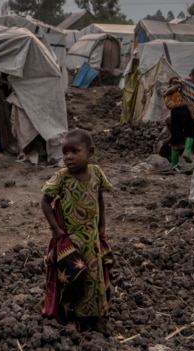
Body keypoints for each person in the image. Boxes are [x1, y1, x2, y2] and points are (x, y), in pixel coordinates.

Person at [40, 129, 113, 334]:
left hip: (92, 239)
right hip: (71, 239)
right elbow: (45, 202)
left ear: (90, 152)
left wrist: (102, 226)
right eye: (65, 152)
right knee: (72, 277)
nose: (68, 157)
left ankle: (98, 317)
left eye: (75, 151)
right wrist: (55, 229)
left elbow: (99, 199)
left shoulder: (96, 173)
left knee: (95, 278)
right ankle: (73, 317)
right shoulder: (61, 177)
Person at [164, 67, 194, 169]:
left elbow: (172, 87)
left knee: (176, 139)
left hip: (175, 112)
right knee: (190, 134)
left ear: (190, 75)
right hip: (187, 113)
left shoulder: (183, 81)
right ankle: (187, 152)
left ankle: (174, 165)